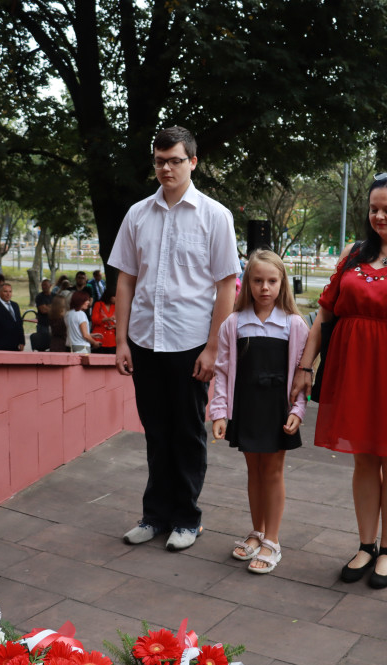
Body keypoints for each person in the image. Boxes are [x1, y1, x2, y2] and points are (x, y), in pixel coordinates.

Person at [291, 172, 387, 590]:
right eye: (373, 208)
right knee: (362, 459)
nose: (378, 215)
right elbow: (324, 314)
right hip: (353, 370)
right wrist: (305, 368)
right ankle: (365, 544)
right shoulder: (354, 253)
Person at [108, 125, 239, 552]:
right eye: (160, 161)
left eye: (175, 160)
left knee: (187, 432)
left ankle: (187, 517)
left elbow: (226, 285)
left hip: (189, 344)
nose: (166, 168)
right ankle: (154, 515)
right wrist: (122, 341)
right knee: (155, 431)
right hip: (145, 340)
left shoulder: (214, 216)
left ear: (193, 162)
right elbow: (126, 281)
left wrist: (213, 347)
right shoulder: (137, 215)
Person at [212, 250, 308, 575]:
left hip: (277, 410)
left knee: (274, 471)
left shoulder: (294, 324)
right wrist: (220, 412)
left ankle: (273, 540)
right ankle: (257, 531)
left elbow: (300, 375)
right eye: (257, 280)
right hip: (247, 407)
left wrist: (298, 409)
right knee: (253, 470)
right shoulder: (234, 323)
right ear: (247, 283)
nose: (264, 287)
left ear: (281, 283)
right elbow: (223, 371)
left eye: (271, 280)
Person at [0, 282, 25, 351]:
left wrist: (22, 341)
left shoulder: (15, 306)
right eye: (5, 291)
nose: (8, 294)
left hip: (15, 346)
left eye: (10, 291)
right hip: (0, 347)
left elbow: (19, 325)